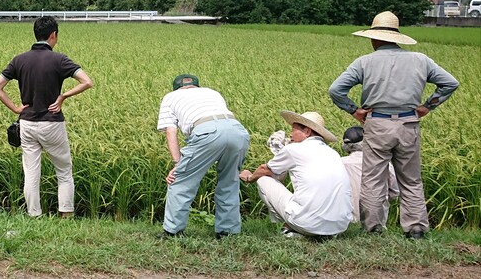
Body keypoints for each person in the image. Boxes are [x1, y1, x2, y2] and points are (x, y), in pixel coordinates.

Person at [329, 11, 459, 239]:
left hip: (377, 123)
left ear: (375, 38)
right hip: (409, 123)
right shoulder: (420, 60)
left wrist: (354, 110)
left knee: (373, 178)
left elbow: (336, 90)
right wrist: (428, 106)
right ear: (397, 38)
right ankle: (416, 229)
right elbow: (450, 83)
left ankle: (373, 228)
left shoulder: (364, 62)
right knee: (410, 178)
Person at [0, 16, 93, 218]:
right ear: (53, 35)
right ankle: (65, 214)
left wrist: (15, 108)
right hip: (52, 123)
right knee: (63, 171)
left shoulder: (19, 60)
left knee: (31, 173)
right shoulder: (60, 59)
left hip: (27, 123)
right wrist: (63, 96)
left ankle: (34, 215)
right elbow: (87, 82)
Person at [157, 74, 250, 239]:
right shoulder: (212, 92)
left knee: (181, 181)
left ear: (177, 87)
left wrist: (177, 164)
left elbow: (171, 131)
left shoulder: (170, 97)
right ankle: (227, 233)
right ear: (197, 86)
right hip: (238, 131)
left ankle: (172, 232)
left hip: (207, 132)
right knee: (230, 182)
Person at [239, 111, 352, 239]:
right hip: (340, 226)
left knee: (263, 180)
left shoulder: (293, 149)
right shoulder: (333, 153)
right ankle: (314, 231)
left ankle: (287, 228)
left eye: (293, 130)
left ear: (307, 132)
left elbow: (265, 169)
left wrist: (249, 177)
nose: (290, 134)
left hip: (309, 224)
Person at [340, 126, 399, 223]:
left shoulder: (339, 163)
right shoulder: (384, 163)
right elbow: (395, 192)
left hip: (346, 221)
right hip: (376, 222)